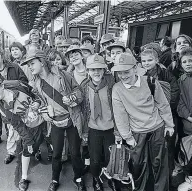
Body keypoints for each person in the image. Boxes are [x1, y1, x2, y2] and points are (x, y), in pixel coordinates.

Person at [21, 50, 86, 191]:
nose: (30, 67)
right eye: (28, 65)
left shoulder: (62, 74)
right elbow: (40, 99)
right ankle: (55, 179)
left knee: (75, 153)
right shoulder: (36, 82)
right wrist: (37, 105)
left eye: (32, 63)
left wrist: (72, 98)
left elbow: (79, 92)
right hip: (54, 121)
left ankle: (79, 178)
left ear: (42, 61)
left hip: (71, 120)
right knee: (56, 153)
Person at [111, 53, 174, 191]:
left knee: (159, 164)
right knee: (138, 165)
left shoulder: (150, 81)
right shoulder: (117, 89)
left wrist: (169, 124)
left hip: (157, 128)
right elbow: (120, 116)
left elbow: (162, 104)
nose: (123, 76)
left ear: (135, 68)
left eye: (126, 71)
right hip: (137, 132)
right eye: (120, 73)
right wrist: (127, 137)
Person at [0, 76, 45, 191]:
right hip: (30, 127)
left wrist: (37, 102)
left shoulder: (18, 85)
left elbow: (35, 92)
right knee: (27, 149)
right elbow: (18, 126)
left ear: (2, 86)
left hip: (46, 119)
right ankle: (24, 178)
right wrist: (28, 141)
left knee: (54, 145)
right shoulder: (2, 107)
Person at [141, 48, 180, 182]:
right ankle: (149, 178)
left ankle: (167, 178)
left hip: (166, 114)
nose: (147, 63)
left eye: (150, 60)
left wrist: (165, 109)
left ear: (157, 60)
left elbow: (174, 91)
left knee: (167, 147)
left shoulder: (165, 74)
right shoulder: (140, 74)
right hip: (148, 116)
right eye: (144, 61)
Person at [81, 54, 117, 191]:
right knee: (94, 158)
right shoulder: (84, 87)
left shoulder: (111, 85)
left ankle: (110, 178)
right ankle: (96, 179)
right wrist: (84, 130)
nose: (96, 72)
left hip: (110, 128)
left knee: (110, 157)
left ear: (104, 70)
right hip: (93, 128)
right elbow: (82, 111)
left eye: (99, 69)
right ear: (88, 71)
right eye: (92, 69)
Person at [0, 47, 28, 164]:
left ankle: (30, 149)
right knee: (10, 128)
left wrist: (7, 84)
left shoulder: (14, 67)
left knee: (25, 126)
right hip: (4, 105)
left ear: (2, 56)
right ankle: (11, 152)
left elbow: (24, 82)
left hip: (19, 101)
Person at [65, 45, 90, 172]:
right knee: (78, 140)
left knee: (88, 140)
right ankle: (80, 168)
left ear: (81, 55)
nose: (73, 57)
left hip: (90, 109)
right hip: (76, 111)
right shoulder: (68, 75)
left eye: (76, 54)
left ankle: (88, 164)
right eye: (70, 56)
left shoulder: (91, 70)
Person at [177, 47, 192, 191]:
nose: (188, 64)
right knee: (189, 155)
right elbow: (180, 103)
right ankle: (191, 180)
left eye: (191, 60)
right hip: (189, 126)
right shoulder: (181, 81)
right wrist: (190, 117)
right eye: (185, 62)